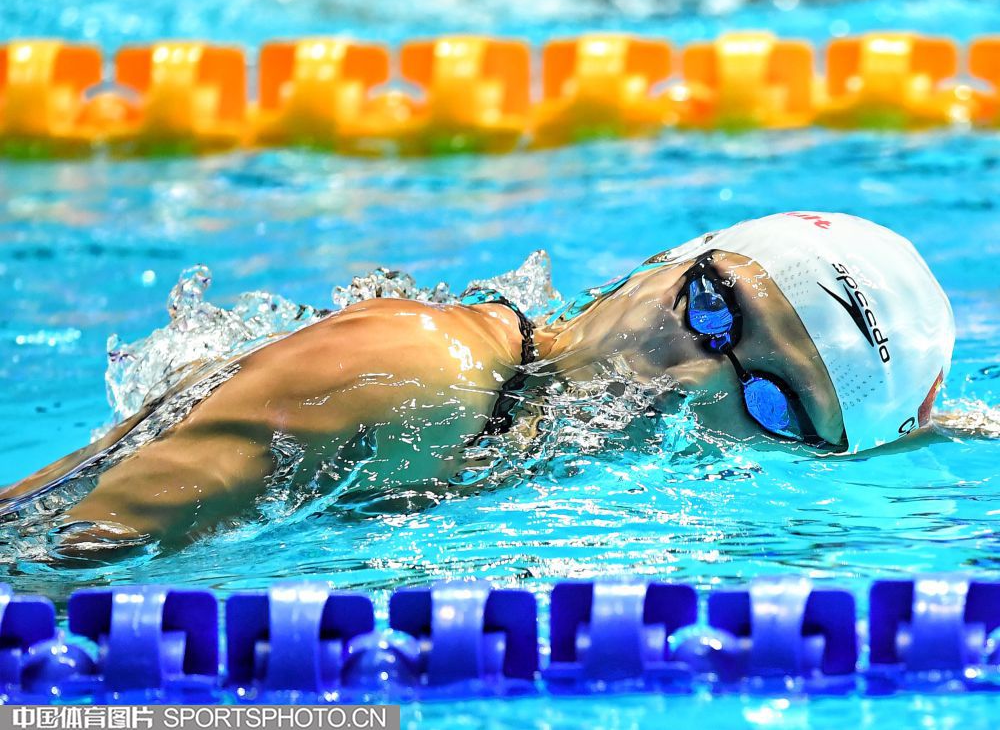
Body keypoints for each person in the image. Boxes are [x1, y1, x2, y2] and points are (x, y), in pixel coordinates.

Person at [1, 212, 955, 556]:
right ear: (671, 257)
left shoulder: (529, 431)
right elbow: (56, 554)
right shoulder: (414, 375)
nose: (696, 377)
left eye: (772, 402)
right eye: (713, 306)